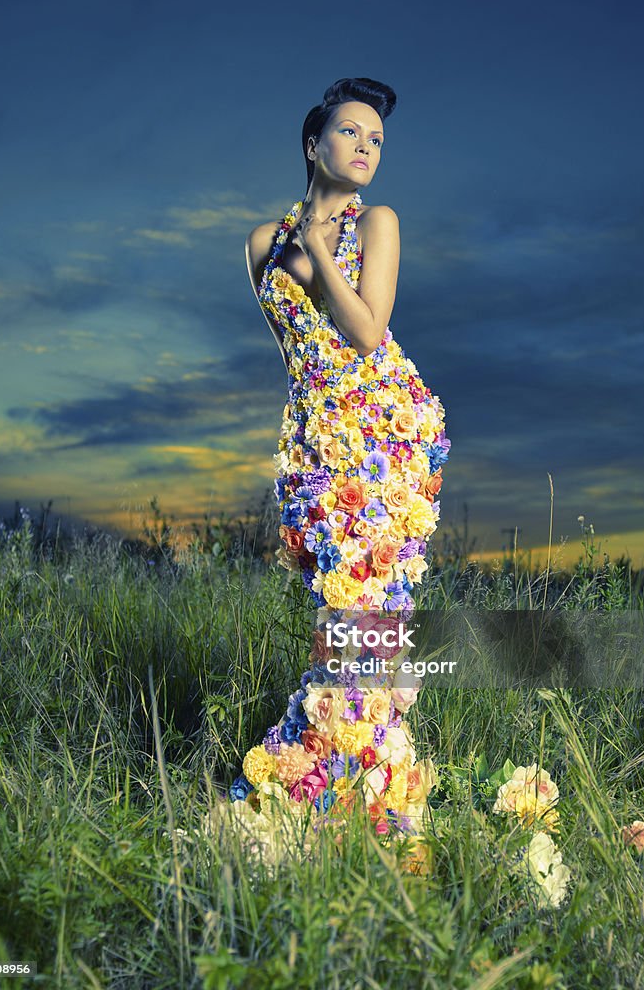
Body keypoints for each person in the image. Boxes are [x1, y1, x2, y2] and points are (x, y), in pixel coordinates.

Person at [226, 78, 451, 864]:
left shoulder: (377, 224)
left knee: (368, 612)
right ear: (313, 143)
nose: (366, 146)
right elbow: (299, 356)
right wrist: (302, 451)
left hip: (386, 438)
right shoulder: (259, 244)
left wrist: (318, 245)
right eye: (351, 132)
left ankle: (367, 804)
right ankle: (343, 795)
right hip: (320, 443)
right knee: (349, 616)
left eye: (377, 139)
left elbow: (364, 332)